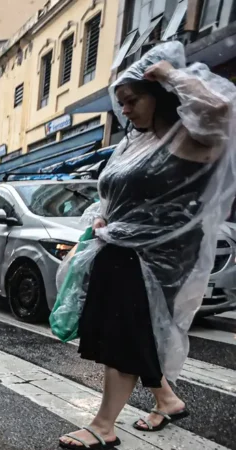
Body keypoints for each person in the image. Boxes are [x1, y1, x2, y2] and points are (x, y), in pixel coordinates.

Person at [57, 42, 236, 449]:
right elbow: (113, 192)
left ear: (159, 94)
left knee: (124, 335)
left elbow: (221, 110)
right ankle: (167, 400)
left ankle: (103, 426)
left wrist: (170, 73)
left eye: (132, 99)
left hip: (157, 256)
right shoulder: (135, 142)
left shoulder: (192, 136)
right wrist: (102, 218)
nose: (124, 109)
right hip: (119, 249)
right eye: (120, 102)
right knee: (131, 332)